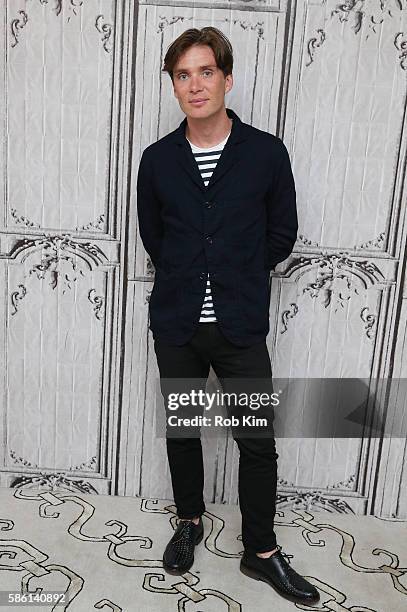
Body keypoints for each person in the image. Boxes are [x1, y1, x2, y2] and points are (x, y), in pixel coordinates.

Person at [137, 26, 319, 605]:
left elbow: (281, 232)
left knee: (257, 441)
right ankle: (189, 521)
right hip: (178, 327)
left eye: (205, 71)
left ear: (227, 78)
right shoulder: (158, 160)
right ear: (174, 86)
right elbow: (154, 236)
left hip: (239, 329)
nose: (195, 85)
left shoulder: (266, 153)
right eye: (183, 75)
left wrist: (235, 272)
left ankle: (260, 551)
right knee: (184, 432)